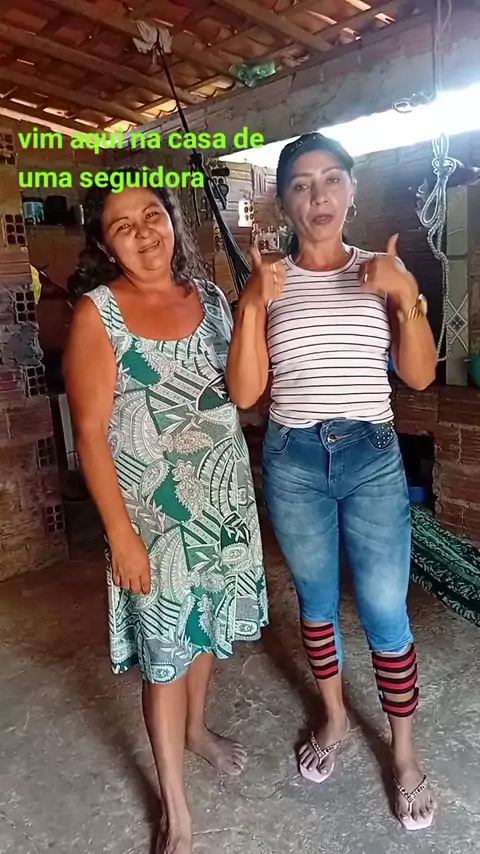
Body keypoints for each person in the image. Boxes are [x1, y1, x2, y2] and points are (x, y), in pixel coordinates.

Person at [226, 133, 438, 832]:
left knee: (384, 610)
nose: (317, 197)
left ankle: (404, 754)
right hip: (293, 460)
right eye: (300, 184)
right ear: (283, 200)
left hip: (371, 458)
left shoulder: (381, 271)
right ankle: (336, 717)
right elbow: (246, 393)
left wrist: (405, 294)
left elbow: (419, 376)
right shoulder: (269, 282)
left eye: (331, 180)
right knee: (316, 603)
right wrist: (252, 303)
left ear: (351, 189)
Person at [63, 166, 267, 854]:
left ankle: (196, 729)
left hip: (223, 501)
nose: (143, 233)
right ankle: (176, 808)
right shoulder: (98, 314)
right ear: (105, 243)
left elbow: (244, 393)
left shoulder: (210, 297)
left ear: (173, 218)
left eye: (152, 214)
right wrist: (120, 536)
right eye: (123, 226)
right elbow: (90, 434)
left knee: (204, 630)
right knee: (165, 656)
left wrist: (255, 307)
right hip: (153, 521)